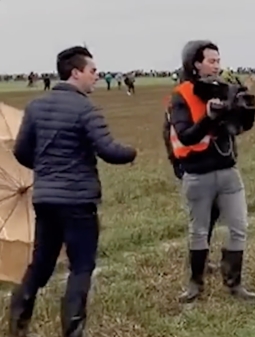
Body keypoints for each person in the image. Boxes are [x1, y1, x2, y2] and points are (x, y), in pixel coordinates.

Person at [9, 46, 137, 337]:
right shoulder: (86, 108)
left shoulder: (36, 106)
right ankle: (73, 331)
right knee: (81, 265)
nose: (97, 75)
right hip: (78, 201)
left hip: (45, 199)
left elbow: (21, 151)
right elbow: (108, 150)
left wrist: (45, 168)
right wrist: (131, 153)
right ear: (76, 72)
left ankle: (17, 324)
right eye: (93, 71)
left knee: (41, 264)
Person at [169, 40, 255, 302]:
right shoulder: (181, 95)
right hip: (198, 174)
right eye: (211, 60)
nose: (216, 65)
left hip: (228, 171)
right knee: (198, 231)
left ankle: (234, 285)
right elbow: (185, 136)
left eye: (218, 60)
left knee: (239, 227)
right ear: (195, 64)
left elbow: (241, 127)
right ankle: (196, 285)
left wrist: (247, 108)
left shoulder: (227, 89)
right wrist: (208, 116)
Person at [162, 77, 221, 277]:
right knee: (200, 220)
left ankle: (202, 260)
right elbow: (170, 137)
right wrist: (176, 164)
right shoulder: (178, 106)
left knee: (211, 215)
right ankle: (196, 264)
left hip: (208, 166)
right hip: (191, 167)